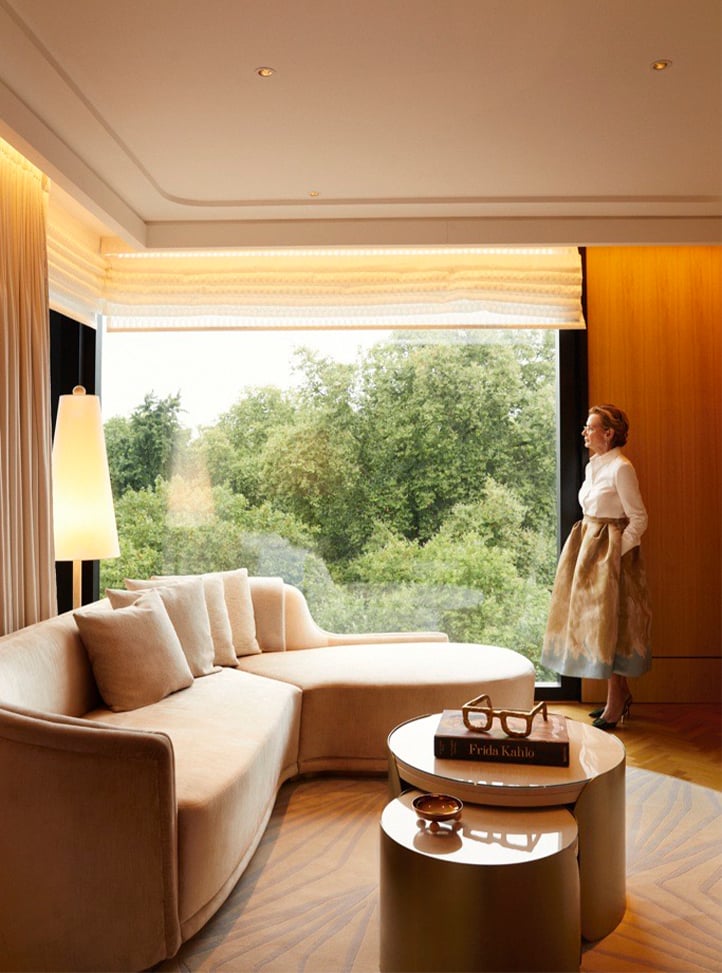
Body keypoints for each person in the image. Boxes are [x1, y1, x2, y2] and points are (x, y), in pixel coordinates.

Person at [542, 404, 652, 729]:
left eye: (590, 427)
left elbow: (640, 520)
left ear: (609, 433)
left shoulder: (621, 468)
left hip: (610, 557)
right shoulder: (595, 466)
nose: (584, 432)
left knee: (612, 626)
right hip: (588, 549)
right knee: (598, 626)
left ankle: (615, 703)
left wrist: (615, 553)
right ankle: (617, 695)